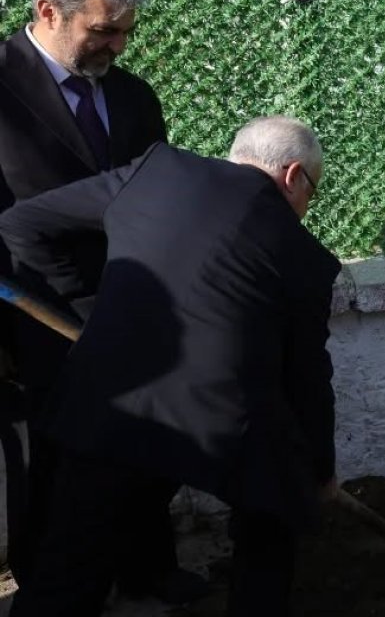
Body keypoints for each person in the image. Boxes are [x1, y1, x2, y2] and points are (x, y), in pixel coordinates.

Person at [0, 116, 342, 617]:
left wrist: (88, 314)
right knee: (278, 512)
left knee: (69, 569)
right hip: (223, 425)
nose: (306, 208)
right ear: (294, 175)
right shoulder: (308, 259)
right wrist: (320, 471)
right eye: (312, 192)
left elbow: (20, 224)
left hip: (113, 403)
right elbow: (308, 378)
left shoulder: (157, 172)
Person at [0, 0, 196, 600]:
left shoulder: (134, 96)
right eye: (103, 30)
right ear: (49, 11)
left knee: (141, 439)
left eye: (125, 32)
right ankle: (46, 590)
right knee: (54, 457)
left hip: (130, 304)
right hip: (30, 308)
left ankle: (147, 570)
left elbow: (157, 193)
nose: (116, 45)